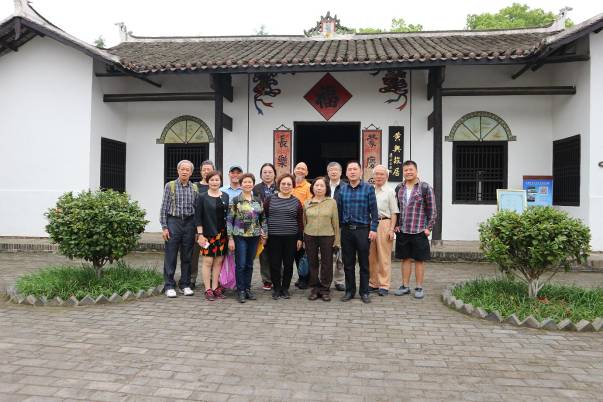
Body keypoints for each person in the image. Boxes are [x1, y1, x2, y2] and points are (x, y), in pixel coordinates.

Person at [394, 160, 437, 299]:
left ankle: (419, 287)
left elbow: (432, 210)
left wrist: (429, 228)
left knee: (419, 260)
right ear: (403, 172)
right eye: (406, 170)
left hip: (419, 230)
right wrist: (396, 225)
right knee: (405, 259)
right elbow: (396, 209)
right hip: (403, 230)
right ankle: (405, 286)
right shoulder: (399, 188)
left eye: (411, 169)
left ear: (416, 171)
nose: (408, 172)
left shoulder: (425, 187)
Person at [336, 161, 378, 304]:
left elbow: (374, 211)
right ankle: (350, 291)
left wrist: (373, 229)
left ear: (361, 172)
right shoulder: (342, 190)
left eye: (355, 169)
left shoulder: (368, 188)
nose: (352, 172)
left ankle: (364, 292)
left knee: (364, 263)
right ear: (346, 173)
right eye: (350, 169)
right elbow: (339, 211)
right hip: (347, 231)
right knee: (348, 263)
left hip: (363, 230)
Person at [160, 160, 199, 298]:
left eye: (187, 170)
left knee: (187, 256)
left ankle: (185, 284)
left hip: (189, 223)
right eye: (182, 169)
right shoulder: (170, 186)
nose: (184, 172)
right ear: (178, 170)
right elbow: (164, 208)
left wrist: (197, 230)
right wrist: (164, 227)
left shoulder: (194, 188)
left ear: (191, 172)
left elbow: (197, 210)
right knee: (170, 255)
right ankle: (169, 285)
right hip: (173, 222)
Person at [227, 173, 267, 303]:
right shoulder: (235, 200)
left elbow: (263, 219)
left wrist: (264, 234)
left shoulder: (258, 200)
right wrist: (230, 238)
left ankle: (248, 289)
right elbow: (229, 220)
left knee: (249, 264)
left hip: (254, 236)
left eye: (250, 182)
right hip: (240, 236)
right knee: (241, 264)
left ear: (253, 184)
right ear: (241, 184)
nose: (248, 184)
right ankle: (241, 290)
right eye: (245, 182)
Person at [265, 173, 303, 300]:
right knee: (274, 264)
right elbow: (264, 217)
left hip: (291, 237)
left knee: (288, 264)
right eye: (283, 183)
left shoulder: (296, 202)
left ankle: (285, 288)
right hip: (273, 237)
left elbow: (300, 222)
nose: (286, 186)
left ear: (292, 186)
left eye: (289, 184)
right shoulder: (270, 200)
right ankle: (276, 288)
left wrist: (300, 238)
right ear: (278, 185)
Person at [195, 170, 230, 301]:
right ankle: (208, 289)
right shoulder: (202, 197)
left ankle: (215, 288)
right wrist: (200, 234)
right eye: (212, 180)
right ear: (208, 181)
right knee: (208, 261)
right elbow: (198, 217)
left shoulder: (225, 196)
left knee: (218, 262)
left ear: (220, 181)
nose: (214, 182)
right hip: (207, 235)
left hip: (222, 234)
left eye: (217, 180)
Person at [303, 177, 340, 302]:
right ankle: (315, 289)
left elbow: (335, 223)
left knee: (327, 263)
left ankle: (325, 289)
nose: (319, 188)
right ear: (312, 187)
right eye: (316, 185)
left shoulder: (332, 202)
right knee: (312, 263)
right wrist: (303, 239)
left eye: (322, 186)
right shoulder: (307, 203)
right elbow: (304, 222)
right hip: (310, 235)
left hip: (327, 235)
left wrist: (337, 240)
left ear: (326, 188)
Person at [368, 165, 399, 296]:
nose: (379, 176)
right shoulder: (369, 190)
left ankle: (384, 285)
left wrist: (391, 230)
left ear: (386, 176)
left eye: (382, 174)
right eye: (377, 174)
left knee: (384, 256)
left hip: (384, 223)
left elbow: (394, 212)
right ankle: (373, 283)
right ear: (373, 176)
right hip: (370, 224)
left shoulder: (390, 191)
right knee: (371, 256)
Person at [253, 163, 277, 291]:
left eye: (270, 172)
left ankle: (278, 278)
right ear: (261, 174)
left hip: (277, 224)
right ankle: (267, 280)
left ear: (274, 174)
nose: (267, 174)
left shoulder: (280, 186)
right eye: (265, 172)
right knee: (264, 254)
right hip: (261, 224)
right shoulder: (256, 189)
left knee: (278, 253)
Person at [191, 159, 215, 289]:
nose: (206, 172)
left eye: (209, 169)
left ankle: (211, 280)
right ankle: (191, 279)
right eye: (204, 170)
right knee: (193, 255)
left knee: (212, 255)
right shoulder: (194, 187)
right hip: (196, 227)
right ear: (200, 172)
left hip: (212, 227)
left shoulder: (216, 186)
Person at [291, 162, 311, 289]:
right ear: (294, 170)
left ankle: (305, 278)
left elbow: (309, 205)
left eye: (303, 169)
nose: (300, 170)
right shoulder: (288, 184)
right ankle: (300, 276)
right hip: (288, 223)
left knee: (301, 253)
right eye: (298, 168)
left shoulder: (309, 187)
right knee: (293, 252)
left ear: (307, 172)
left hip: (302, 223)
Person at [327, 161, 345, 292]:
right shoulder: (322, 185)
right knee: (325, 254)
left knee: (340, 254)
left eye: (336, 170)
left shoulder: (345, 187)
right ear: (328, 172)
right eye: (331, 170)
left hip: (341, 225)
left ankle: (339, 281)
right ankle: (325, 280)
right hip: (325, 226)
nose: (333, 172)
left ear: (340, 172)